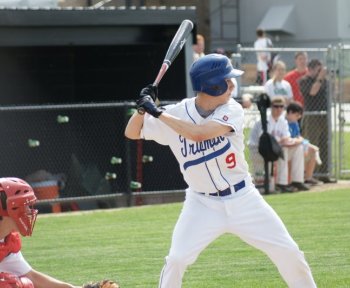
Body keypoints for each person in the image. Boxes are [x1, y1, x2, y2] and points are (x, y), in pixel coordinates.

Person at [125, 54, 317, 288]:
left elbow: (199, 133)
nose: (232, 85)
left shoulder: (232, 109)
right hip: (201, 204)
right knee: (176, 259)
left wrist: (157, 112)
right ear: (212, 86)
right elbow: (132, 132)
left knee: (289, 252)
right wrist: (142, 109)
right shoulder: (176, 113)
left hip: (243, 198)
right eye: (226, 80)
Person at [0, 177, 77, 288]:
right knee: (7, 284)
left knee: (26, 284)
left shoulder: (7, 240)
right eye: (22, 205)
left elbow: (32, 277)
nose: (28, 211)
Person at [248, 97, 309, 192]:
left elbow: (287, 139)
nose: (279, 109)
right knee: (264, 189)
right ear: (271, 107)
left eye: (281, 106)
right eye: (276, 106)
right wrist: (282, 141)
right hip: (258, 151)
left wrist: (294, 141)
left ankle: (294, 181)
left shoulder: (282, 120)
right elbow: (264, 141)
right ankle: (279, 183)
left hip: (274, 150)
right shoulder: (264, 119)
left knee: (298, 148)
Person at [299, 59, 332, 182]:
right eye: (318, 70)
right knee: (313, 143)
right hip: (311, 116)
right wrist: (320, 77)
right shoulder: (304, 81)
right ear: (311, 69)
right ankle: (312, 174)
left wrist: (323, 77)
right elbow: (313, 92)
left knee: (325, 143)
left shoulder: (324, 81)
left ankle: (324, 174)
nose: (320, 72)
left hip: (324, 115)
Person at [286, 102, 322, 185]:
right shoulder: (284, 122)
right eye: (297, 115)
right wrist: (302, 142)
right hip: (288, 148)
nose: (299, 118)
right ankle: (293, 180)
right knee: (301, 152)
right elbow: (291, 139)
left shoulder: (295, 124)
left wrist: (309, 145)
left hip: (297, 146)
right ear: (290, 112)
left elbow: (298, 137)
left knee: (313, 150)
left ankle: (308, 178)